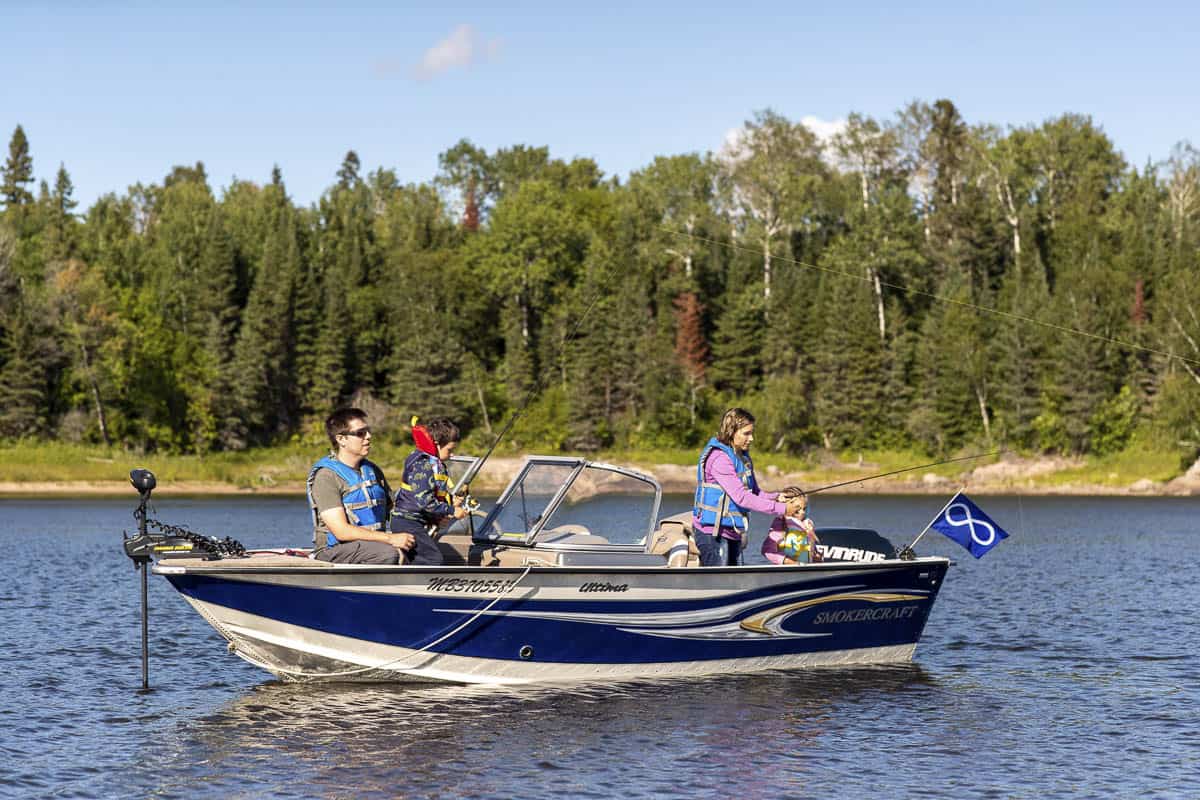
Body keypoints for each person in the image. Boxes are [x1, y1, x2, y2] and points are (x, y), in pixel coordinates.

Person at [692, 407, 806, 566]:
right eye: (746, 433)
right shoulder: (719, 459)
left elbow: (755, 492)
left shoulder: (743, 458)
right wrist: (782, 509)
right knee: (724, 581)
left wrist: (778, 497)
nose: (751, 438)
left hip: (733, 533)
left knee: (733, 579)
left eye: (752, 433)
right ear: (731, 432)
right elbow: (742, 498)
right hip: (712, 534)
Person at [306, 407, 415, 564]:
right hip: (335, 549)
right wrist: (390, 538)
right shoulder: (326, 477)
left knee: (423, 547)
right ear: (341, 439)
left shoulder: (372, 470)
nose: (368, 437)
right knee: (389, 554)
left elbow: (396, 510)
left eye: (368, 431)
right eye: (360, 433)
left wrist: (433, 513)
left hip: (373, 545)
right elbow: (341, 531)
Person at [390, 416, 468, 566]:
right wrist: (452, 510)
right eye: (450, 450)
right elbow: (425, 502)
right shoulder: (423, 464)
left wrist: (450, 500)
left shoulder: (433, 463)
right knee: (433, 559)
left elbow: (431, 492)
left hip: (416, 522)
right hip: (407, 522)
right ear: (437, 444)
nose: (452, 454)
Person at [762, 493, 822, 565]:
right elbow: (766, 551)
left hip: (805, 571)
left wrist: (816, 557)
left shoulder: (807, 525)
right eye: (797, 510)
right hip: (785, 573)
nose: (802, 512)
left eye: (804, 509)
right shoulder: (780, 524)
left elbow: (809, 549)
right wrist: (788, 562)